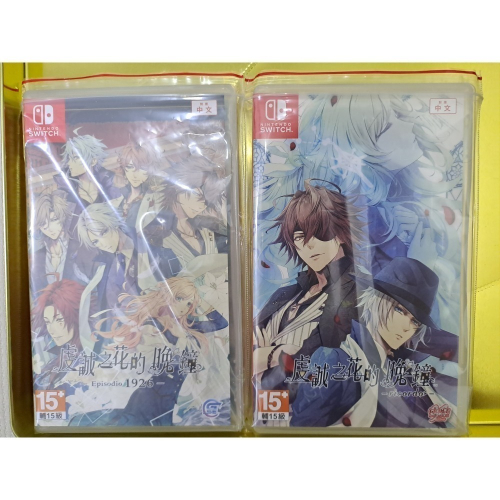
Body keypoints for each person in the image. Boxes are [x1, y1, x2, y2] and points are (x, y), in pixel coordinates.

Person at [290, 257, 458, 429]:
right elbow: (302, 431)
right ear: (375, 301)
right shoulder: (335, 360)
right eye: (399, 310)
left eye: (415, 321)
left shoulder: (402, 371)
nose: (407, 327)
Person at [69, 278, 228, 427]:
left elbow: (220, 323)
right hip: (149, 399)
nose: (183, 307)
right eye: (179, 298)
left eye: (189, 304)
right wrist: (181, 341)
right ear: (167, 297)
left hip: (168, 400)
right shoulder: (151, 326)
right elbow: (155, 364)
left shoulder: (185, 326)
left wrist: (199, 299)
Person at [254, 180, 364, 387]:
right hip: (264, 402)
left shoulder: (357, 293)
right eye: (299, 237)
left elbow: (319, 365)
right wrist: (276, 354)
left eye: (319, 233)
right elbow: (239, 355)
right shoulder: (286, 294)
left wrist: (265, 356)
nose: (309, 245)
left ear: (341, 234)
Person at [141, 154, 229, 280]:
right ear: (177, 189)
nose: (203, 203)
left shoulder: (210, 229)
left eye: (205, 197)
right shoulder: (154, 234)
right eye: (196, 194)